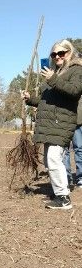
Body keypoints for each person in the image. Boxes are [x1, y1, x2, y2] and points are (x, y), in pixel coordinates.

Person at [22, 39, 82, 209]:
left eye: (61, 53)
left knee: (54, 159)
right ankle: (59, 194)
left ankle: (63, 199)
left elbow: (75, 90)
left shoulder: (76, 70)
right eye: (54, 54)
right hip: (50, 124)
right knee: (51, 161)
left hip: (61, 122)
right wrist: (30, 99)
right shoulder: (56, 72)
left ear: (70, 53)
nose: (57, 56)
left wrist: (53, 79)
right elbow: (46, 100)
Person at [64, 102, 82, 188]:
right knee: (64, 151)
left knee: (79, 149)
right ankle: (66, 178)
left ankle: (80, 178)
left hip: (78, 121)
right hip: (63, 121)